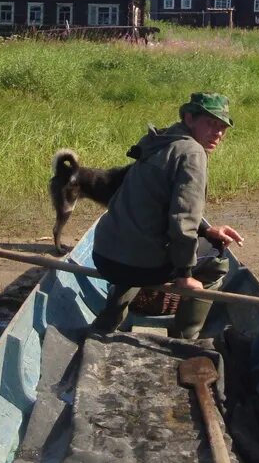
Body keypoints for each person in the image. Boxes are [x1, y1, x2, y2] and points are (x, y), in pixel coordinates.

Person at [91, 92, 244, 339]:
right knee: (217, 262)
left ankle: (107, 321)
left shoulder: (158, 140)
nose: (218, 133)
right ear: (189, 118)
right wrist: (184, 276)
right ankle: (186, 337)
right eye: (211, 123)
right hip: (138, 265)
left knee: (141, 247)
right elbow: (183, 222)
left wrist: (206, 231)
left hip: (104, 255)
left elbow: (151, 210)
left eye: (223, 127)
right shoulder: (192, 153)